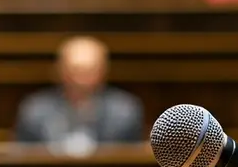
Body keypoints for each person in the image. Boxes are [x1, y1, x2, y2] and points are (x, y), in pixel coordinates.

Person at [15, 36, 143, 153]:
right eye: (76, 70)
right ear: (60, 70)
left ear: (103, 71)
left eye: (90, 70)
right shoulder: (35, 110)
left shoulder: (125, 110)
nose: (82, 78)